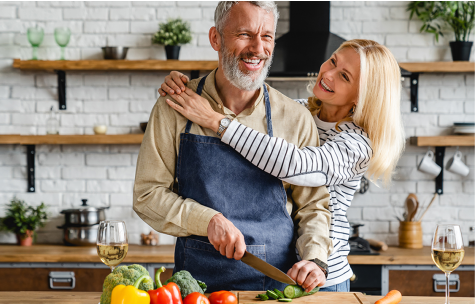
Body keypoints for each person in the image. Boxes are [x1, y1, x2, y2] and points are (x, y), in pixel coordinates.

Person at [157, 39, 405, 292]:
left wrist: (214, 120)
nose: (328, 74)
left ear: (364, 95)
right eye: (332, 61)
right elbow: (245, 110)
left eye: (344, 76)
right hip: (283, 267)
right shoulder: (297, 111)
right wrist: (191, 89)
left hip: (321, 272)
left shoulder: (357, 143)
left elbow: (297, 166)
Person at [133, 1, 333, 293]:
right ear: (215, 38)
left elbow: (313, 205)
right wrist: (207, 220)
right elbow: (147, 195)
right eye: (244, 34)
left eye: (266, 36)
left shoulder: (294, 117)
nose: (257, 48)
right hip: (196, 289)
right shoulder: (174, 106)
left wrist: (315, 259)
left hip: (276, 288)